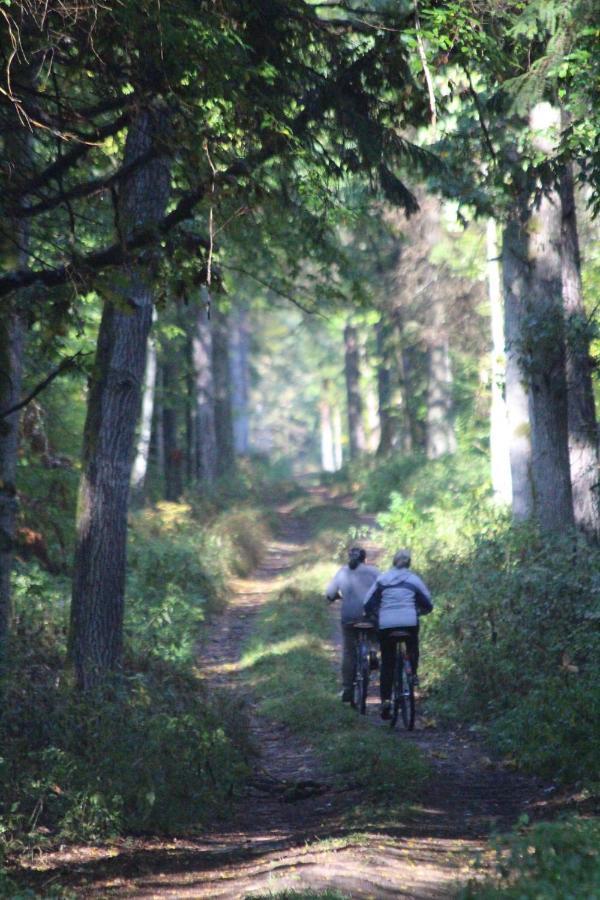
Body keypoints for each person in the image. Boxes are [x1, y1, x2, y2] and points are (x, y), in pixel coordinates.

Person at [363, 548, 432, 720]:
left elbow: (367, 603)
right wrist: (419, 612)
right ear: (409, 563)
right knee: (413, 644)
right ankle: (413, 673)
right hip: (409, 623)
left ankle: (386, 700)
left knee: (387, 662)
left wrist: (376, 615)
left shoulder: (382, 578)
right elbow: (428, 604)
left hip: (387, 625)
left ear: (393, 562)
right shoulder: (414, 579)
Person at [325, 547, 379, 702]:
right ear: (365, 559)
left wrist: (335, 597)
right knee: (377, 630)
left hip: (349, 618)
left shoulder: (342, 572)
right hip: (369, 617)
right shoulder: (374, 572)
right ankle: (374, 651)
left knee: (349, 652)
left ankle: (348, 688)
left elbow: (329, 593)